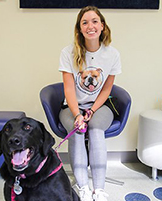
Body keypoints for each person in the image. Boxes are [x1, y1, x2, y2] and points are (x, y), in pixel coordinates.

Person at [58, 6, 121, 201]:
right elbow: (69, 89)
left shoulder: (112, 54)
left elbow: (107, 89)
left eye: (94, 21)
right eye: (84, 22)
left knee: (95, 129)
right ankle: (83, 187)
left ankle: (99, 189)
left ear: (102, 26)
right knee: (79, 130)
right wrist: (78, 115)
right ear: (79, 28)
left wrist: (92, 110)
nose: (90, 26)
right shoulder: (68, 52)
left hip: (100, 105)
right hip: (72, 106)